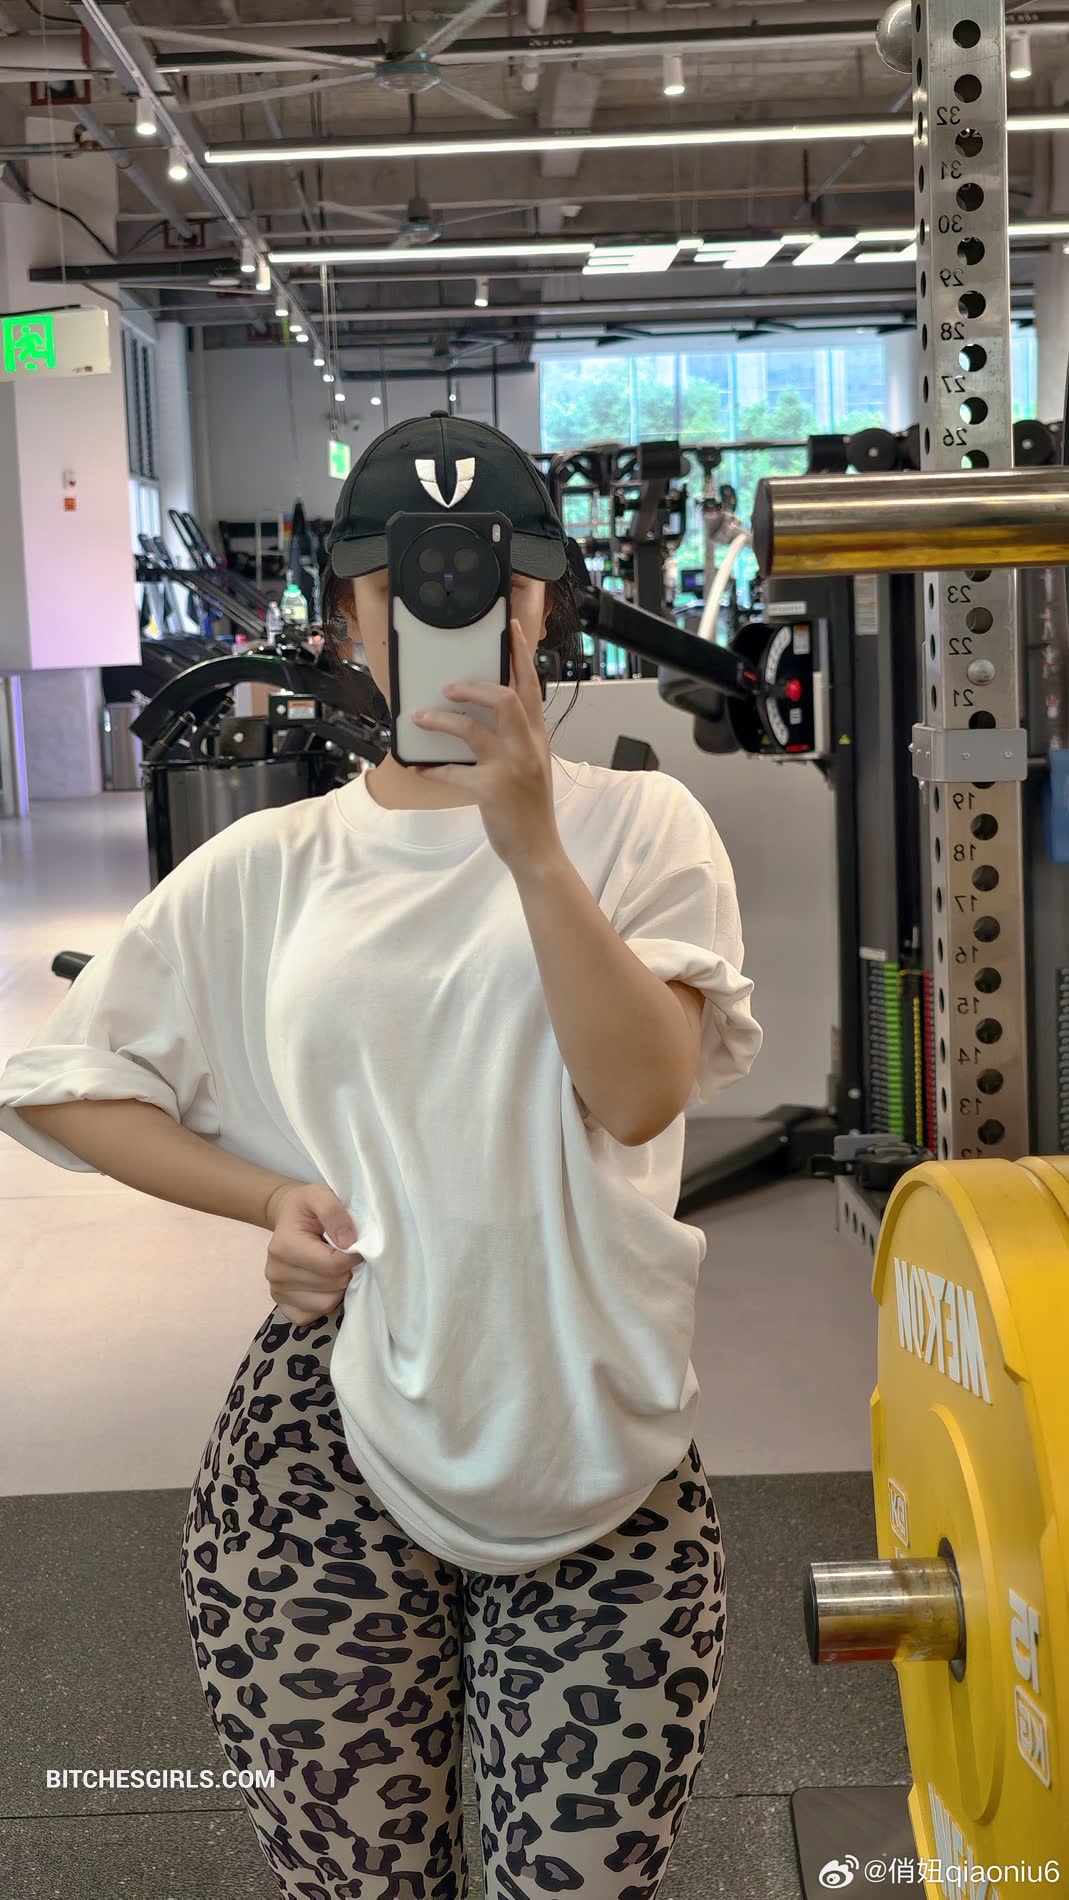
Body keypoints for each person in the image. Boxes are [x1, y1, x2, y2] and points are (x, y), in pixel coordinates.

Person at [0, 412, 763, 1900]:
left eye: (491, 585)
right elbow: (62, 1086)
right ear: (349, 616)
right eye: (406, 590)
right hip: (321, 1434)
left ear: (542, 604)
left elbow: (638, 1094)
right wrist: (269, 1196)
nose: (450, 617)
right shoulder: (271, 864)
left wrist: (530, 843)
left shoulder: (642, 828)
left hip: (593, 1436)